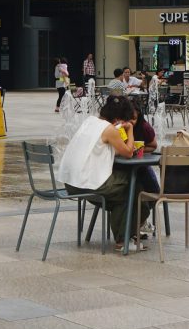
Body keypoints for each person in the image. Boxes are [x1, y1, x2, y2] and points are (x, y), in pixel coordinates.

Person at [57, 95, 152, 251]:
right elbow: (128, 152)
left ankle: (126, 234)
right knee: (134, 187)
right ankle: (125, 239)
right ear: (118, 118)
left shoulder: (89, 122)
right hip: (88, 186)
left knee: (124, 194)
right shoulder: (109, 129)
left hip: (72, 183)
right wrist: (130, 129)